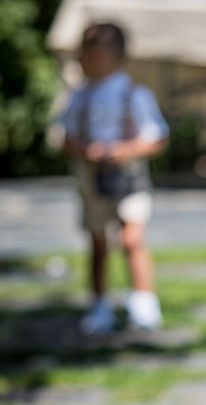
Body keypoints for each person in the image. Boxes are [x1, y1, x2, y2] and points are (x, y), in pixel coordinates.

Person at [59, 23, 169, 334]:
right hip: (92, 178)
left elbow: (157, 136)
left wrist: (125, 150)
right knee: (98, 241)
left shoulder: (134, 93)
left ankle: (144, 302)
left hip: (128, 177)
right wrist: (86, 150)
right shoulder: (79, 96)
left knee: (132, 237)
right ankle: (99, 305)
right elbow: (65, 136)